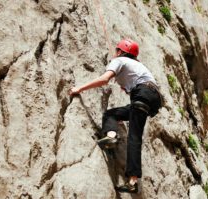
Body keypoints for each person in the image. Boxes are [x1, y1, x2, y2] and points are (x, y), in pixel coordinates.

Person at [69, 39, 162, 193]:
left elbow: (104, 79)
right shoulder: (139, 65)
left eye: (117, 50)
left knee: (134, 136)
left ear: (120, 51)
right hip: (153, 99)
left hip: (142, 94)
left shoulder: (118, 60)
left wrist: (80, 88)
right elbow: (136, 83)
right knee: (112, 114)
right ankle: (112, 135)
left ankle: (132, 179)